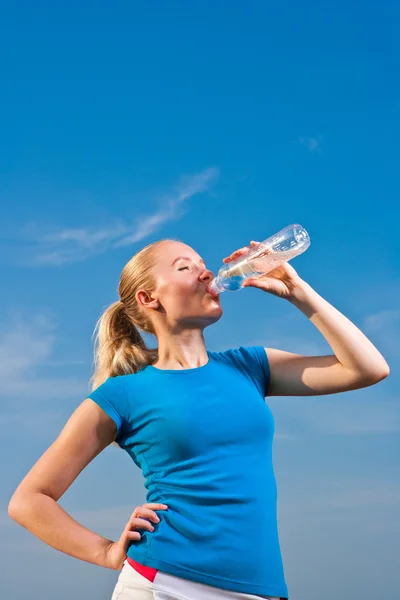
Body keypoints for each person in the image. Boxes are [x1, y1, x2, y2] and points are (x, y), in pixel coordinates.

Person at [8, 237, 390, 600]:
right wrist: (106, 552)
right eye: (185, 267)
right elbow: (29, 500)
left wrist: (298, 292)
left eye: (204, 266)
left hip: (260, 586)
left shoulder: (250, 366)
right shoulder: (122, 395)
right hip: (168, 584)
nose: (207, 274)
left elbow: (367, 369)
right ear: (149, 298)